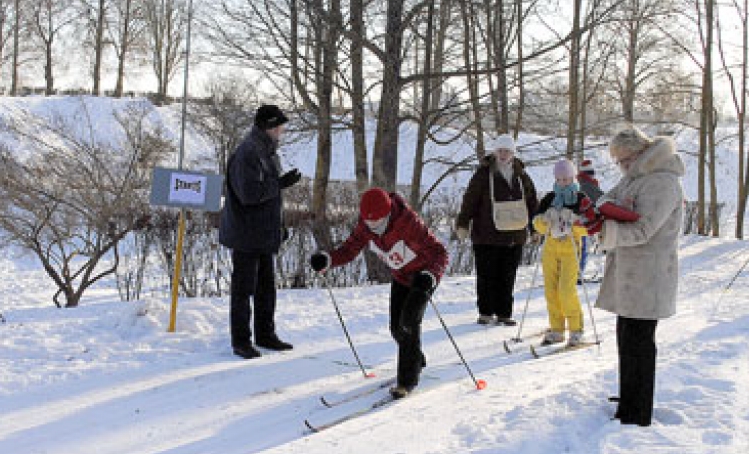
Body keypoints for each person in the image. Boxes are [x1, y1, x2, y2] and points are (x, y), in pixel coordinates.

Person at [310, 188, 448, 398]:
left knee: (409, 322)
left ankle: (407, 381)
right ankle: (415, 358)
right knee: (396, 328)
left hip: (423, 278)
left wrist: (430, 276)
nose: (372, 226)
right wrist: (327, 260)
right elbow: (349, 249)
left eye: (377, 222)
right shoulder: (365, 226)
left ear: (388, 213)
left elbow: (440, 253)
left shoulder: (408, 223)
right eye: (368, 221)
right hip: (402, 277)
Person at [592, 125, 684, 427]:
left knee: (640, 343)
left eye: (625, 160)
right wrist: (600, 211)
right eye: (618, 162)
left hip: (649, 274)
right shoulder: (636, 177)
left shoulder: (662, 182)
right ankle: (629, 397)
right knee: (626, 337)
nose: (622, 167)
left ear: (640, 152)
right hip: (632, 274)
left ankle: (638, 410)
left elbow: (645, 229)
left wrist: (607, 228)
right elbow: (609, 197)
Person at [219, 104, 302, 359]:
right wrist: (279, 184)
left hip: (263, 233)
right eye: (279, 127)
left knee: (267, 288)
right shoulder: (248, 153)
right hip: (246, 234)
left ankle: (265, 334)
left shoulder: (267, 151)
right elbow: (249, 194)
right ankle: (241, 340)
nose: (282, 132)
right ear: (268, 127)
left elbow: (269, 195)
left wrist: (278, 226)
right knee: (243, 290)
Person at [455, 134, 539, 325]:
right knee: (486, 275)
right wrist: (462, 224)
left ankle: (504, 313)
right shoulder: (483, 174)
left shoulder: (522, 176)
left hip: (514, 236)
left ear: (513, 153)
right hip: (486, 235)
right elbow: (469, 200)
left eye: (507, 151)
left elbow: (533, 203)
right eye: (500, 150)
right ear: (495, 152)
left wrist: (535, 228)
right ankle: (485, 312)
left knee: (508, 276)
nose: (503, 154)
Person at [531, 159, 590, 346]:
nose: (563, 182)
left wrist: (574, 222)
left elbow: (589, 227)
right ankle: (557, 329)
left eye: (567, 179)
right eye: (560, 179)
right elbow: (536, 223)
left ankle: (576, 328)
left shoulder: (581, 199)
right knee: (551, 290)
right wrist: (544, 221)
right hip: (550, 246)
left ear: (573, 177)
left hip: (570, 247)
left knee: (566, 290)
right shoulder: (549, 198)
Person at [576, 159, 603, 282]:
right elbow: (601, 198)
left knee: (581, 248)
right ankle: (577, 273)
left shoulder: (583, 183)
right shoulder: (587, 185)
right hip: (585, 221)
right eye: (590, 172)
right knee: (582, 248)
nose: (592, 174)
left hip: (584, 220)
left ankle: (577, 272)